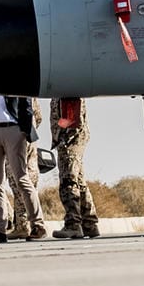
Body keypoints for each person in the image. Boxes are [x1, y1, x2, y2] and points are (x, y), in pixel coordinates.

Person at [0, 92, 45, 243]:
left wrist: (25, 129)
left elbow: (26, 102)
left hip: (14, 129)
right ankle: (0, 230)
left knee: (21, 178)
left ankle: (38, 225)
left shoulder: (13, 74)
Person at [50, 98, 99, 239]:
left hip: (69, 139)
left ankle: (73, 225)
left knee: (68, 181)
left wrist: (61, 136)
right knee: (79, 181)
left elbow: (71, 119)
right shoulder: (64, 88)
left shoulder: (67, 87)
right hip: (72, 138)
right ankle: (89, 223)